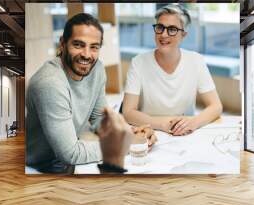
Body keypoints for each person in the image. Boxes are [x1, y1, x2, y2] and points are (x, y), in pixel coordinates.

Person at [26, 13, 156, 174]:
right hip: (38, 167)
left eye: (94, 47)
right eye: (78, 45)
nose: (87, 55)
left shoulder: (97, 69)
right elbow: (70, 153)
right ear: (62, 44)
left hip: (65, 160)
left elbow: (99, 118)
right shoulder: (49, 84)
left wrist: (129, 132)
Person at [122, 4, 223, 136]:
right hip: (150, 131)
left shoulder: (196, 61)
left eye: (172, 29)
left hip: (185, 133)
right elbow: (128, 112)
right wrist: (161, 124)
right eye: (160, 27)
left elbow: (216, 106)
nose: (164, 34)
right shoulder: (138, 62)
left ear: (183, 35)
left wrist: (194, 122)